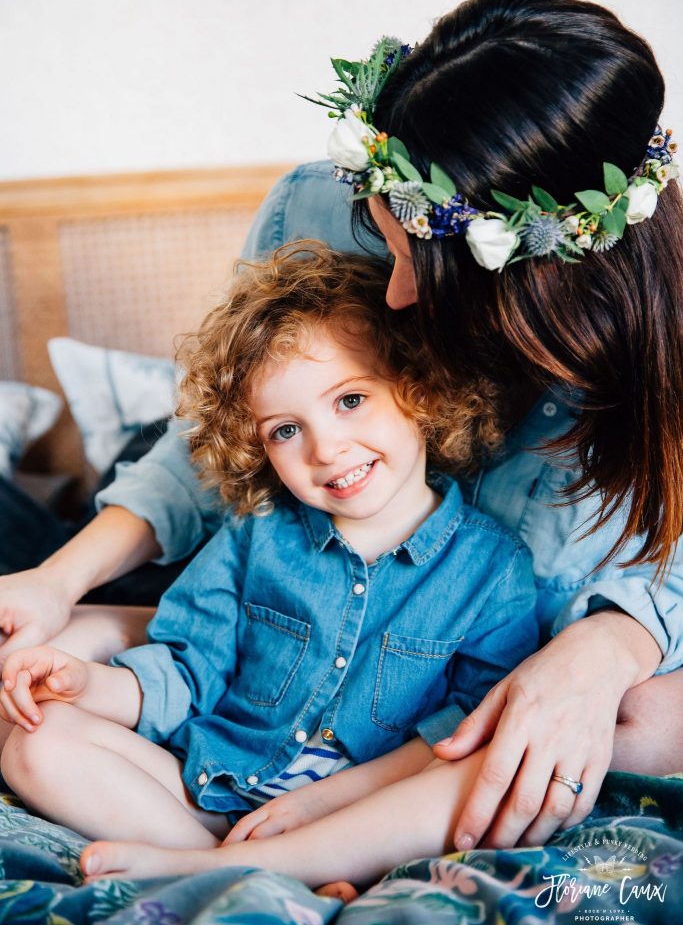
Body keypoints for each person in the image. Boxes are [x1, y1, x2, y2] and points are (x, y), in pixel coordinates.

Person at [1, 0, 682, 853]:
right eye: (383, 242)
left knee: (652, 717)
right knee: (44, 656)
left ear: (532, 283)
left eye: (419, 265)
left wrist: (610, 647)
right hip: (245, 547)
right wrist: (59, 583)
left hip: (399, 686)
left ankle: (262, 859)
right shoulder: (322, 210)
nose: (395, 293)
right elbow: (209, 451)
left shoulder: (503, 558)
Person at [0, 243, 538, 894]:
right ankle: (229, 866)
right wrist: (86, 687)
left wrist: (321, 803)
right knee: (37, 742)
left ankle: (247, 869)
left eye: (348, 400)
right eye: (285, 430)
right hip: (211, 783)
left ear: (419, 387)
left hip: (360, 817)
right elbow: (185, 670)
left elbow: (462, 731)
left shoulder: (493, 569)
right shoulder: (254, 535)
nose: (325, 448)